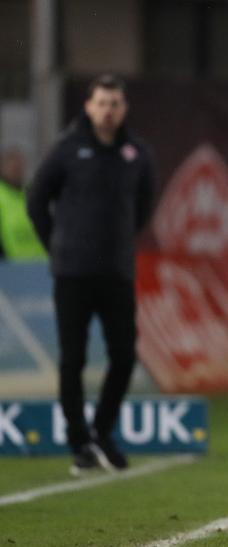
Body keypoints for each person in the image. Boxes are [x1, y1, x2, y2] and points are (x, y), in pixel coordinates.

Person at [27, 74, 156, 475]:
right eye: (101, 102)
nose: (108, 110)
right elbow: (36, 200)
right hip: (73, 274)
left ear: (124, 109)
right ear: (88, 106)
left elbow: (145, 206)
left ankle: (102, 430)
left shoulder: (137, 153)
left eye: (115, 103)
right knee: (73, 360)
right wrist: (59, 246)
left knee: (123, 355)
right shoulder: (67, 149)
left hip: (116, 272)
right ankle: (79, 442)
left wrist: (117, 242)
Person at [0, 147, 46, 261]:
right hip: (11, 268)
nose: (17, 171)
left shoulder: (31, 194)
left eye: (20, 167)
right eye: (13, 168)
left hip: (39, 265)